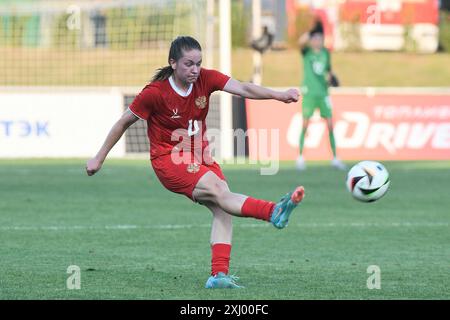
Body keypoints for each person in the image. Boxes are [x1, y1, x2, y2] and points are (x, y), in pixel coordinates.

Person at [86, 36, 305, 289]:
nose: (195, 70)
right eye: (189, 64)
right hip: (169, 159)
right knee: (220, 191)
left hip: (200, 155)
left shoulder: (206, 79)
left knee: (222, 207)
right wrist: (99, 157)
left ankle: (218, 276)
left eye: (198, 63)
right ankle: (273, 212)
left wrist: (279, 95)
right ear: (173, 63)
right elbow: (123, 122)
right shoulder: (155, 93)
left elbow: (243, 88)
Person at [297, 22, 346, 171]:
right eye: (315, 39)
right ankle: (300, 157)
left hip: (323, 93)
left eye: (320, 39)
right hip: (310, 93)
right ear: (312, 40)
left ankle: (335, 158)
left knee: (330, 124)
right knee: (305, 124)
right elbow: (300, 42)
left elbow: (328, 70)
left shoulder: (325, 53)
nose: (318, 41)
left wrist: (332, 78)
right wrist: (310, 31)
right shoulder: (307, 52)